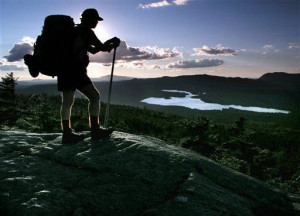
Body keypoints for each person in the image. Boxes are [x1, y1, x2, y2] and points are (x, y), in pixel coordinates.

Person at [58, 8, 120, 144]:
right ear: (89, 19)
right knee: (94, 96)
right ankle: (95, 130)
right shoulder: (86, 31)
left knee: (67, 102)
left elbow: (92, 49)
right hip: (75, 70)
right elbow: (100, 47)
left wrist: (108, 44)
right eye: (95, 20)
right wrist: (111, 41)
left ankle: (66, 134)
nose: (97, 23)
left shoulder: (74, 31)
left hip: (63, 69)